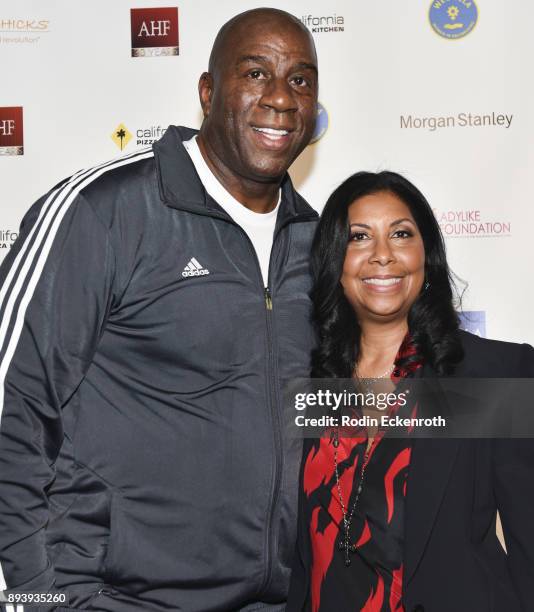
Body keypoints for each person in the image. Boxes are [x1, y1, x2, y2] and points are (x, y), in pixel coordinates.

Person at [0, 8, 319, 611]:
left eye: (300, 80)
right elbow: (11, 402)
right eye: (255, 73)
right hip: (116, 598)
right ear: (207, 91)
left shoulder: (316, 239)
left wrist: (504, 402)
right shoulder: (105, 210)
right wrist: (34, 596)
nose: (280, 98)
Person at [286, 171, 534, 612]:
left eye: (401, 234)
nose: (382, 255)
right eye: (359, 237)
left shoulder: (488, 374)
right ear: (334, 261)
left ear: (426, 254)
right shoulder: (313, 379)